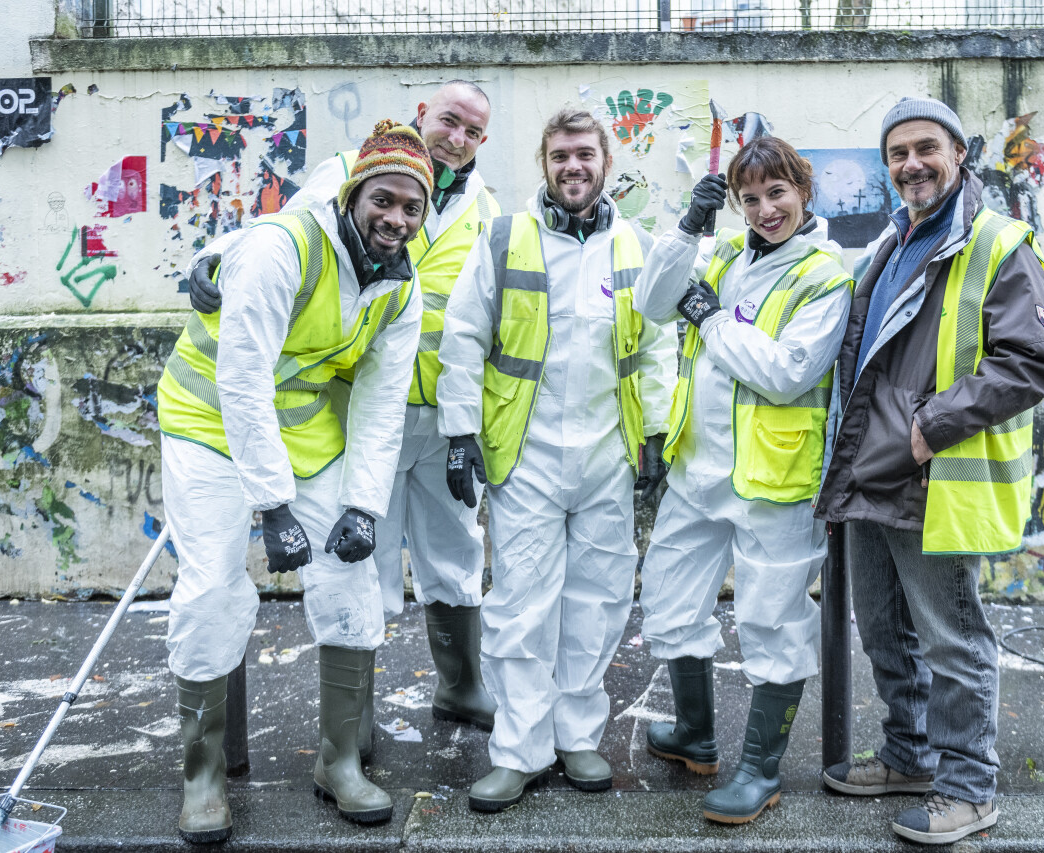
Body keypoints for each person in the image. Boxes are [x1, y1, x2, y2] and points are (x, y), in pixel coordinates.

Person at [189, 81, 500, 743]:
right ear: (423, 113)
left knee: (456, 549)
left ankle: (461, 687)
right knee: (366, 559)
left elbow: (481, 318)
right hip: (358, 408)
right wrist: (211, 258)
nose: (458, 139)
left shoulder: (485, 208)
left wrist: (465, 426)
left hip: (437, 412)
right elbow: (276, 239)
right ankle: (357, 721)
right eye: (450, 121)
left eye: (474, 132)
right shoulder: (348, 168)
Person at [157, 120, 432, 840]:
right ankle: (203, 775)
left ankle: (339, 762)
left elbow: (380, 403)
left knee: (352, 573)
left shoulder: (402, 289)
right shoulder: (285, 248)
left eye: (412, 207)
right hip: (207, 420)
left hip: (299, 426)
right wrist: (273, 505)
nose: (396, 219)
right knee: (213, 586)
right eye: (383, 200)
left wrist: (363, 506)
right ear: (352, 195)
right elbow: (242, 377)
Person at [814, 97, 1044, 845]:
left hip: (933, 473)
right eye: (897, 153)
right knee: (883, 628)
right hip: (872, 466)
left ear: (959, 153)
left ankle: (968, 788)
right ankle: (910, 755)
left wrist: (929, 429)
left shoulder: (995, 241)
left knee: (952, 640)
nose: (912, 164)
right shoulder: (893, 241)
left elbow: (1033, 362)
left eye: (926, 147)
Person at [436, 106, 676, 812]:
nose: (574, 167)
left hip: (608, 455)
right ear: (544, 164)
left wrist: (656, 434)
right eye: (561, 155)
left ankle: (576, 736)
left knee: (597, 602)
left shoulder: (635, 246)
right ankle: (519, 751)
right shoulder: (506, 238)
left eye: (585, 155)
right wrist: (460, 432)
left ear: (606, 163)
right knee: (521, 608)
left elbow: (655, 347)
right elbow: (463, 335)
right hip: (526, 456)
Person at [634, 137, 853, 824]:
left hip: (775, 481)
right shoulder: (726, 253)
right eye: (749, 199)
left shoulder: (825, 274)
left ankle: (760, 770)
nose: (764, 210)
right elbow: (652, 302)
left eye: (776, 193)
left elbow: (786, 373)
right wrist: (686, 229)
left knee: (771, 620)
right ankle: (695, 736)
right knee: (669, 600)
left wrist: (711, 318)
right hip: (698, 467)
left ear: (803, 191)